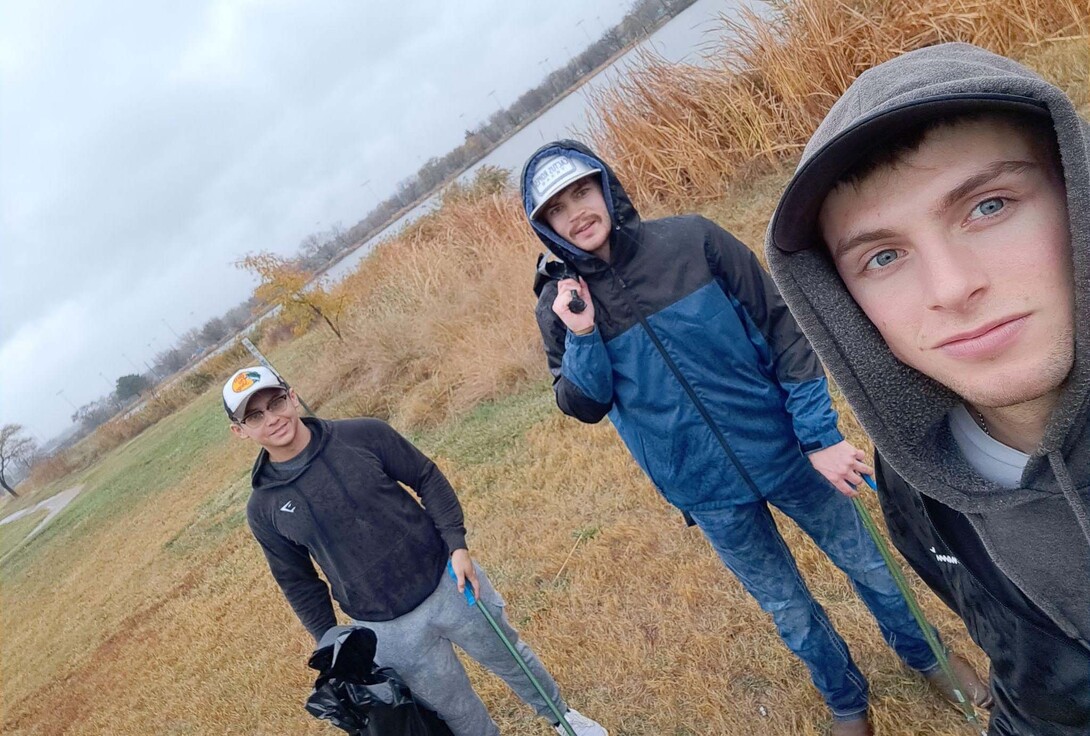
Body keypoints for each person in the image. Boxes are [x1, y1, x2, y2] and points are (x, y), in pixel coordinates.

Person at [521, 141, 985, 735]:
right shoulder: (558, 304)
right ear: (545, 225)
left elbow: (783, 328)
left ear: (606, 186)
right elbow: (582, 404)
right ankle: (845, 701)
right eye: (557, 207)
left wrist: (818, 435)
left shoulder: (693, 241)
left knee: (866, 563)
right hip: (704, 487)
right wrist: (581, 331)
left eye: (582, 191)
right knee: (787, 607)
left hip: (789, 450)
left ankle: (932, 659)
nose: (576, 211)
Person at [765, 42, 1090, 734]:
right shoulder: (916, 488)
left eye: (990, 206)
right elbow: (1026, 681)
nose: (951, 288)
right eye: (883, 256)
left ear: (1075, 196)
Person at [223, 366, 608, 736]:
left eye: (275, 402)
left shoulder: (362, 435)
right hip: (384, 626)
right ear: (240, 432)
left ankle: (564, 719)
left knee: (512, 660)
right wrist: (333, 645)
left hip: (450, 581)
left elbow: (426, 477)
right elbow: (298, 582)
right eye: (255, 416)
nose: (271, 418)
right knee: (454, 709)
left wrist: (457, 547)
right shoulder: (263, 509)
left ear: (292, 396)